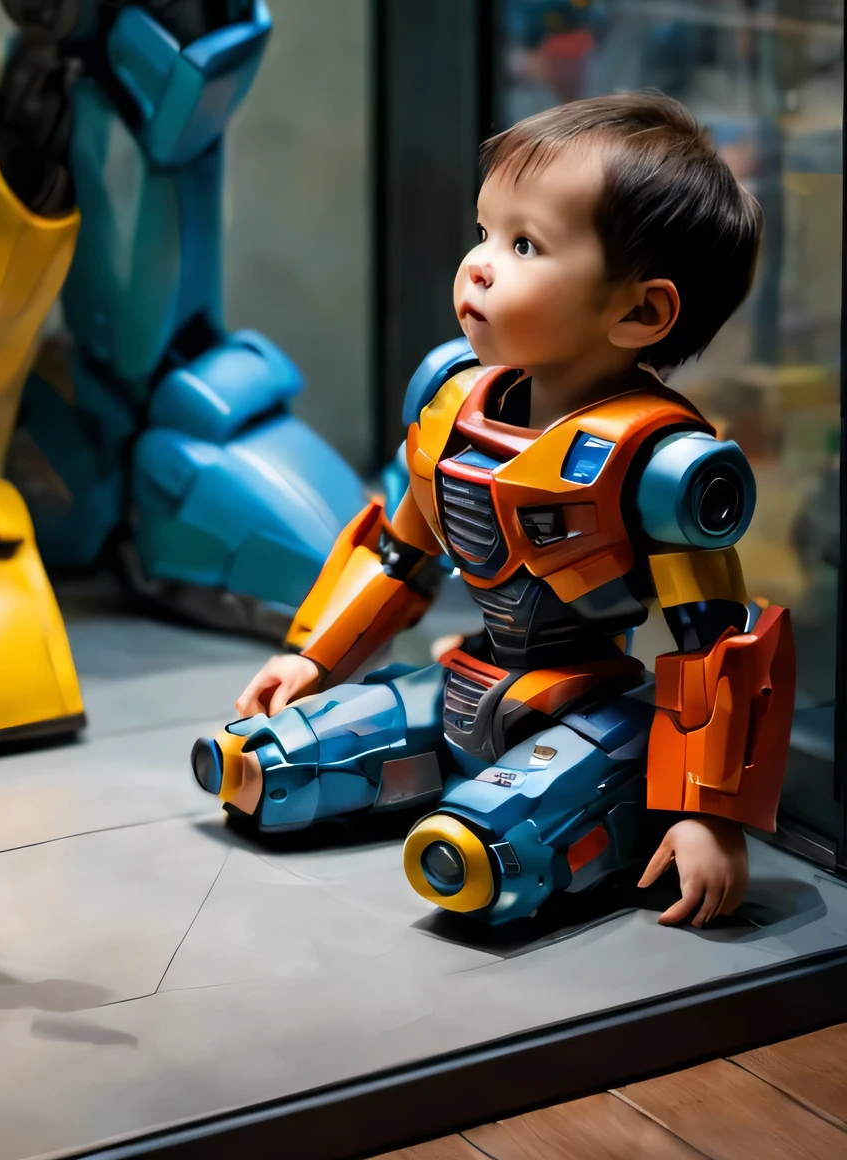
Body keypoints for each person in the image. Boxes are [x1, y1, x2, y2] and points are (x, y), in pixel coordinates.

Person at [192, 91, 794, 930]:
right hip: (469, 682)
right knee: (261, 769)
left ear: (641, 311)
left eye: (525, 245)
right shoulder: (450, 401)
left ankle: (508, 815)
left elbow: (717, 643)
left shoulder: (658, 463)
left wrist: (708, 811)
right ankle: (446, 783)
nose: (480, 264)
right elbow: (398, 554)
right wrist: (314, 662)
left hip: (589, 713)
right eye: (484, 233)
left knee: (479, 857)